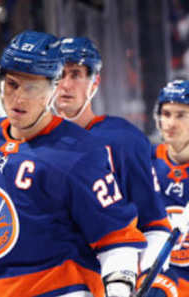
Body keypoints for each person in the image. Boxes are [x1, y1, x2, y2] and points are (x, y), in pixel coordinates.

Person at [0, 30, 146, 297]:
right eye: (12, 84)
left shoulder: (79, 151)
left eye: (32, 87)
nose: (18, 98)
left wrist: (119, 287)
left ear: (53, 88)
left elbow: (115, 236)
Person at [53, 36, 171, 276]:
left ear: (94, 82)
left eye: (75, 74)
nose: (64, 85)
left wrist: (140, 272)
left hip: (103, 280)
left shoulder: (123, 140)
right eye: (57, 75)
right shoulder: (28, 143)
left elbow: (154, 223)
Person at [151, 80, 189, 297]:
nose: (170, 123)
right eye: (166, 114)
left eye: (180, 115)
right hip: (157, 283)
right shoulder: (145, 163)